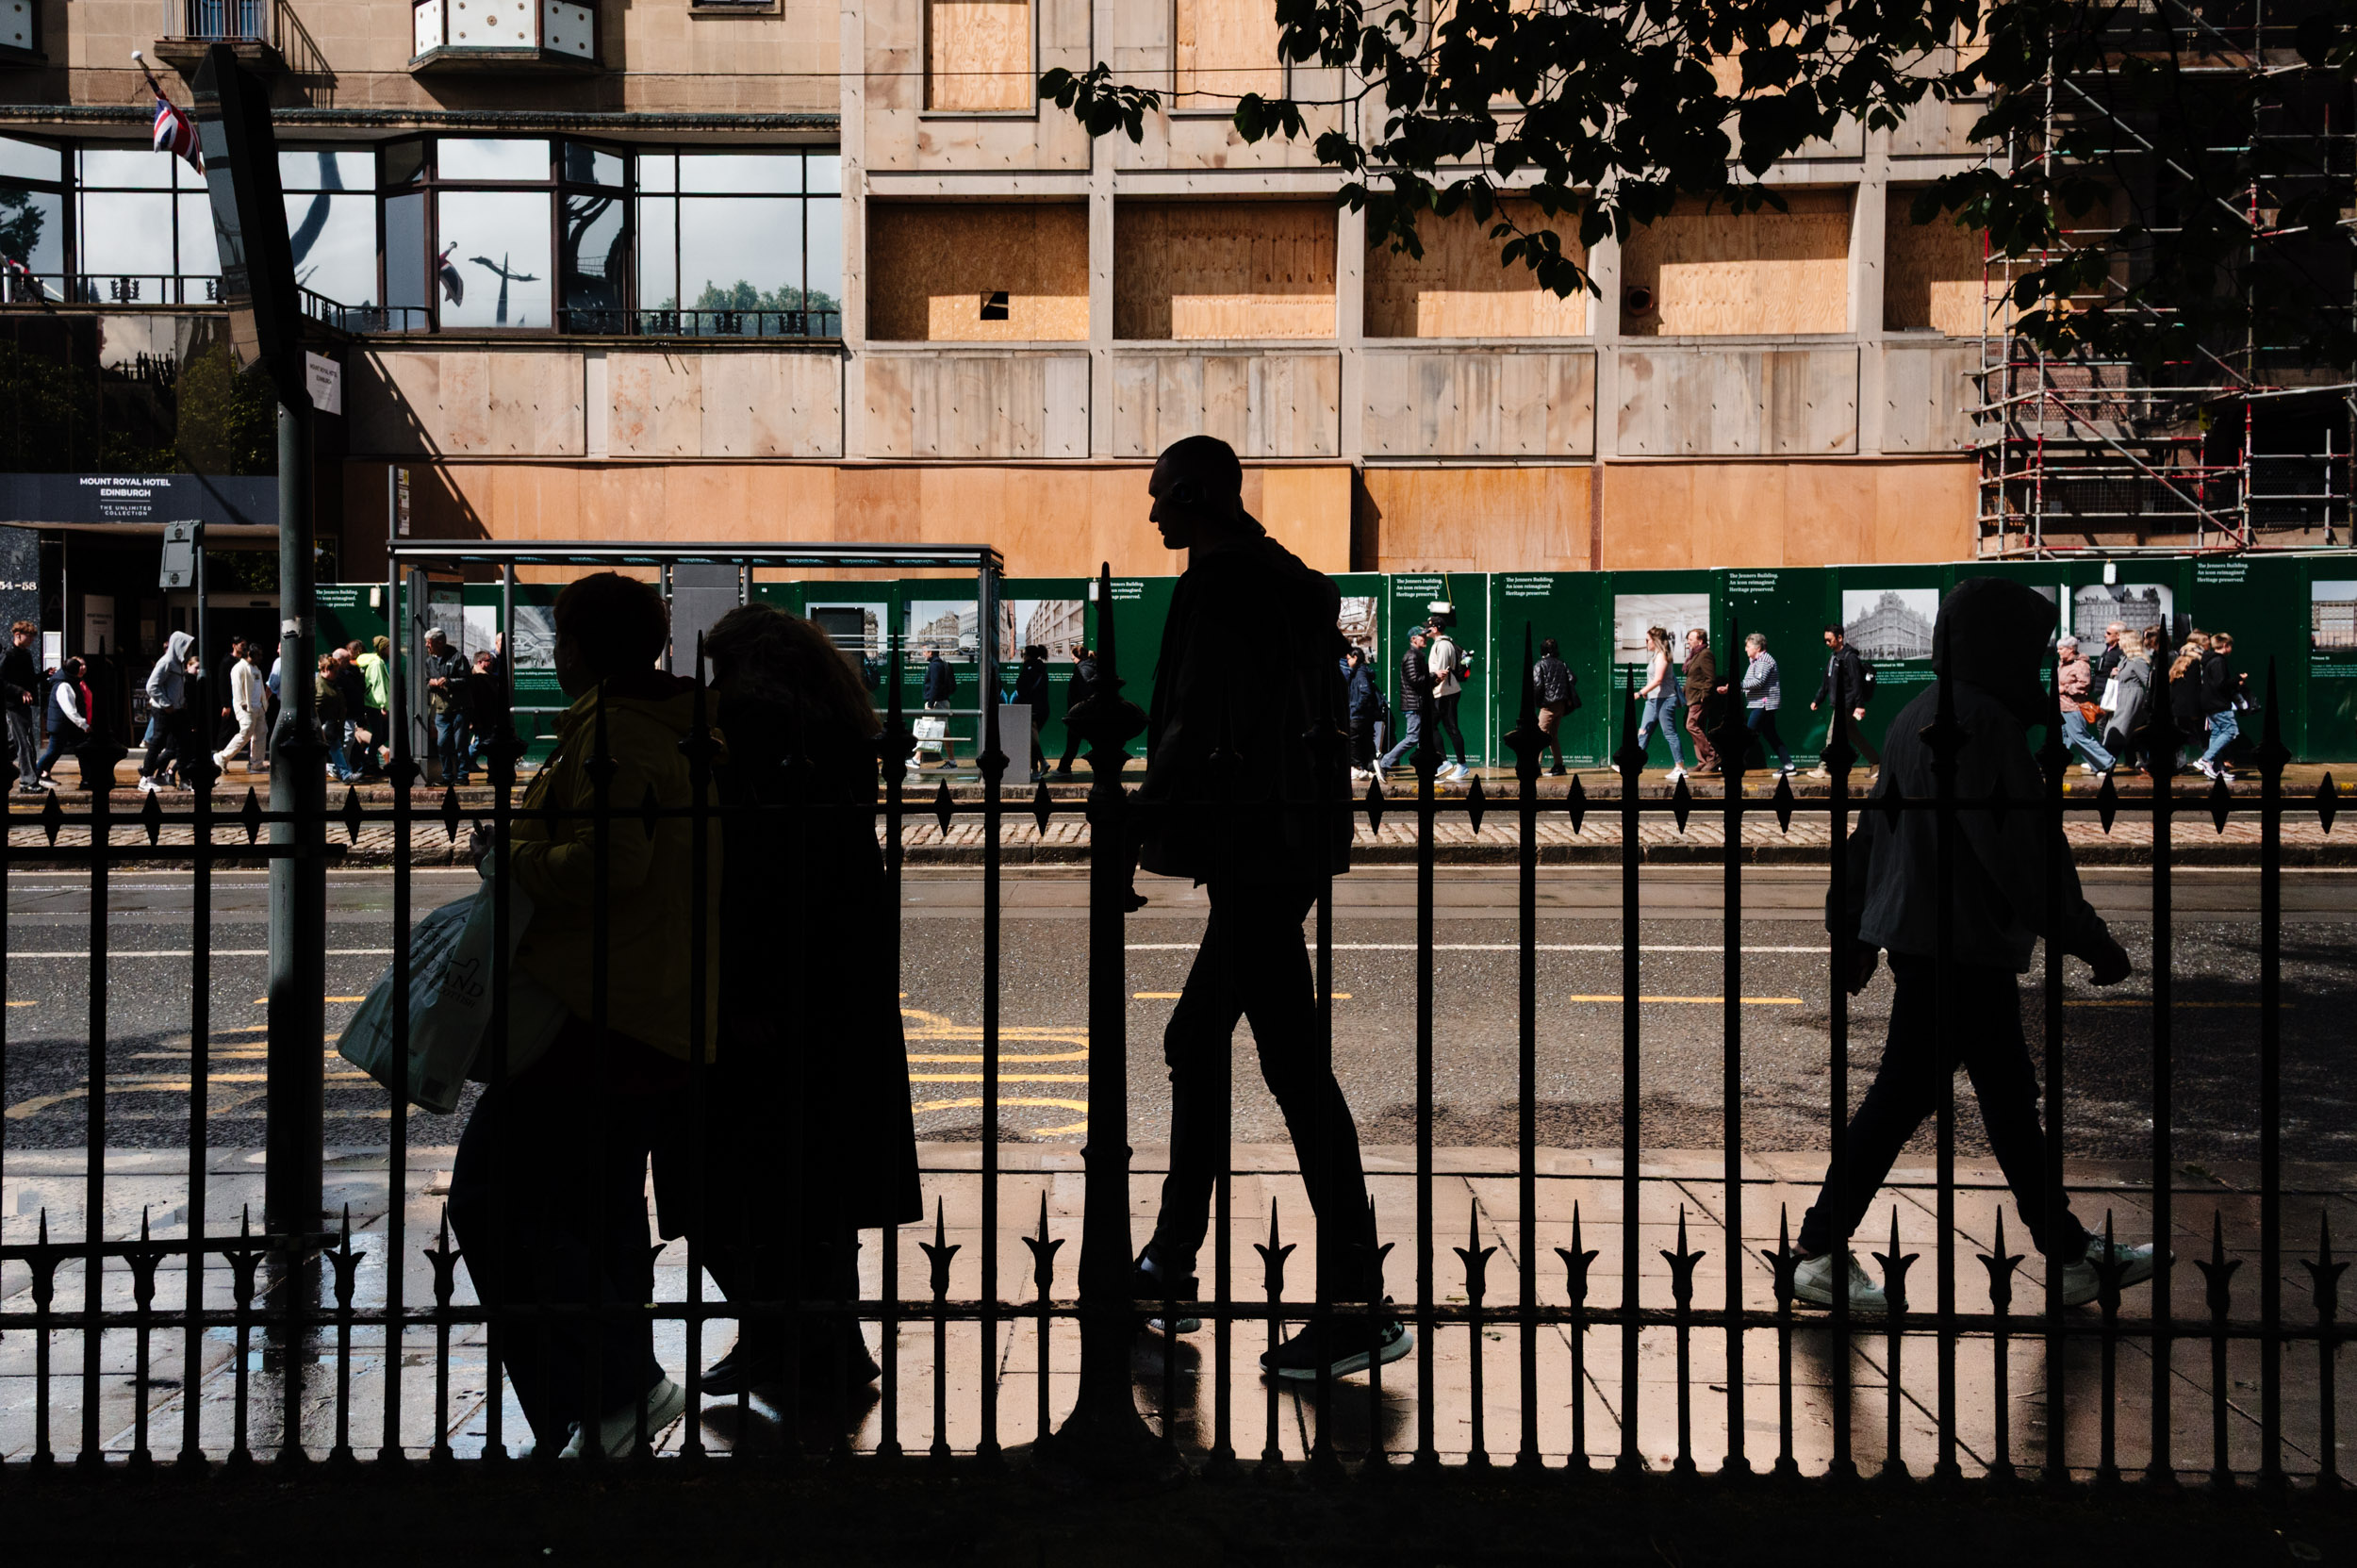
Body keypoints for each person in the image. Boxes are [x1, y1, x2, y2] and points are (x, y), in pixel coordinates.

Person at [1795, 576, 2162, 1312]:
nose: (2037, 669)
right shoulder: (1984, 725)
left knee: (1994, 1097)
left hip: (1929, 939)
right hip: (1960, 941)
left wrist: (1852, 928)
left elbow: (1871, 834)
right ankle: (1820, 1251)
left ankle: (2066, 1252)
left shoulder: (1917, 715)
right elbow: (2024, 853)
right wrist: (2090, 940)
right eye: (2028, 652)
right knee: (1922, 1099)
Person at [1129, 434, 1408, 1382]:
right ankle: (1177, 1258)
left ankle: (1344, 1298)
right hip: (1281, 843)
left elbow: (1196, 718)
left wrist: (1138, 832)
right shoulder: (1275, 575)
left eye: (1163, 495)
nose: (1153, 511)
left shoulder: (1219, 582)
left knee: (1243, 1056)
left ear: (1197, 495)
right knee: (1236, 1051)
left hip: (1253, 848)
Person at [447, 571, 719, 1459]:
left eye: (561, 640)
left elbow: (611, 865)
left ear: (579, 647)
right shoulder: (665, 723)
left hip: (596, 1010)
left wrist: (509, 859)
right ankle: (606, 1404)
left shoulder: (619, 731)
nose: (554, 655)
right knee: (595, 1210)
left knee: (493, 1196)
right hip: (642, 1004)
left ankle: (621, 1387)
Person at [652, 601, 920, 1400]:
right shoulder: (838, 728)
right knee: (816, 1175)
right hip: (840, 982)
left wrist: (744, 989)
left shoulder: (755, 730)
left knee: (730, 1175)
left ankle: (780, 1333)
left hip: (769, 989)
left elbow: (760, 878)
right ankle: (825, 1337)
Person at [1809, 623, 1880, 774]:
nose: (1827, 643)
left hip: (1847, 704)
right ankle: (1876, 763)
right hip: (1839, 703)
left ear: (1840, 638)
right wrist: (1817, 699)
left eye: (1829, 640)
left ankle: (1824, 768)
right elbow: (1826, 682)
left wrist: (1860, 705)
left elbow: (1856, 683)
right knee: (1854, 735)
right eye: (1825, 641)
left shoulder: (1850, 657)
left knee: (1832, 736)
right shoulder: (1833, 657)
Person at [1722, 630, 1792, 775]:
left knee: (1746, 734)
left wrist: (1737, 685)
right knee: (1770, 735)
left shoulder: (1764, 661)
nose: (1745, 649)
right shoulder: (1757, 661)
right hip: (1761, 704)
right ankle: (1789, 766)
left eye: (1748, 646)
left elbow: (1758, 682)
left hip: (1763, 704)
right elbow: (1751, 682)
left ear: (1758, 648)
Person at [139, 631, 196, 795]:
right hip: (164, 711)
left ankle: (184, 779)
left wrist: (181, 701)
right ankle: (146, 777)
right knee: (157, 743)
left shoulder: (178, 663)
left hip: (176, 709)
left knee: (184, 744)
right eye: (186, 646)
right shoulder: (166, 662)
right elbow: (152, 686)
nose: (189, 650)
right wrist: (166, 704)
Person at [2053, 635, 2115, 777]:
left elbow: (2084, 685)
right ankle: (2056, 765)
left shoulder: (2080, 664)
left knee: (2079, 737)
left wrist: (2065, 688)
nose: (2058, 651)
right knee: (2063, 739)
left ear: (2070, 649)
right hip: (2062, 706)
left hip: (2073, 707)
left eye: (2061, 649)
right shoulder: (2063, 663)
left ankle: (2107, 762)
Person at [1634, 626, 1688, 783]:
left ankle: (1680, 768)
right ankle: (1633, 763)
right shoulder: (1655, 655)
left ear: (1656, 641)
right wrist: (1647, 694)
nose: (1646, 643)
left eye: (1647, 640)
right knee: (1643, 731)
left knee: (1669, 733)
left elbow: (1658, 679)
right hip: (1653, 700)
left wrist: (1640, 692)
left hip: (1665, 699)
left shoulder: (1662, 656)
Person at [1377, 630, 1433, 773]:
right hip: (1413, 703)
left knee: (1424, 737)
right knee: (1413, 737)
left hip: (1416, 703)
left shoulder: (1417, 656)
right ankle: (1384, 762)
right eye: (1423, 636)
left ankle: (1430, 769)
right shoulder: (1411, 657)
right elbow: (1414, 681)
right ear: (1414, 639)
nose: (1426, 638)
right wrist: (1433, 676)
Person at [2101, 626, 2152, 775]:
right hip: (2120, 699)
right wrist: (2113, 674)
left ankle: (2108, 763)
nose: (2119, 642)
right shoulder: (2125, 660)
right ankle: (2145, 763)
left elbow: (2147, 681)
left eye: (2122, 640)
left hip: (2130, 700)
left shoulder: (2138, 661)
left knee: (2118, 732)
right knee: (2122, 732)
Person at [212, 635, 267, 777]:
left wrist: (263, 703)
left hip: (258, 706)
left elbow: (259, 687)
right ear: (251, 654)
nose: (260, 658)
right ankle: (222, 757)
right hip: (246, 707)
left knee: (261, 732)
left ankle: (257, 763)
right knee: (246, 732)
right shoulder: (240, 668)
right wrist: (242, 703)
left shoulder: (256, 669)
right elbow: (236, 687)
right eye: (258, 655)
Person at [423, 627, 472, 786]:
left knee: (460, 744)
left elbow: (467, 680)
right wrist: (431, 684)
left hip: (460, 709)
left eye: (428, 643)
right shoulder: (429, 661)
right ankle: (447, 776)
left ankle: (462, 776)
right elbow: (426, 682)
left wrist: (449, 681)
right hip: (441, 709)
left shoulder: (458, 658)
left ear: (440, 642)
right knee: (442, 743)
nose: (426, 646)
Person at [32, 656, 89, 788]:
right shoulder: (64, 685)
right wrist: (83, 724)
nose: (82, 669)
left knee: (59, 752)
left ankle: (86, 778)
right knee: (54, 752)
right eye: (79, 667)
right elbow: (69, 709)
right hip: (62, 725)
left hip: (64, 725)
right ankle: (35, 776)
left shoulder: (69, 681)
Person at [1426, 618, 1470, 783]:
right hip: (1442, 692)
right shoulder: (1440, 644)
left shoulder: (1443, 645)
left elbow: (1441, 672)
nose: (1426, 630)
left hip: (1446, 692)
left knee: (1452, 728)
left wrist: (1432, 686)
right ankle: (1444, 761)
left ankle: (1462, 765)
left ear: (1436, 628)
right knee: (1433, 726)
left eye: (1429, 627)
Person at [2196, 630, 2244, 782]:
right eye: (2230, 646)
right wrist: (2238, 680)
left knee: (2216, 734)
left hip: (2209, 703)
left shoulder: (2209, 660)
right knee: (2231, 731)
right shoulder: (2219, 661)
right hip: (2219, 703)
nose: (2231, 649)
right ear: (2225, 645)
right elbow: (2220, 683)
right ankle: (2206, 759)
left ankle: (2216, 769)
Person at [1531, 636, 1578, 776]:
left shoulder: (1540, 664)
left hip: (1548, 705)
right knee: (1552, 736)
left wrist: (1538, 703)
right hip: (1561, 705)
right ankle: (1559, 766)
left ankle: (1535, 766)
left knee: (1538, 736)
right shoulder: (1561, 663)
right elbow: (1572, 678)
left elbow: (1537, 685)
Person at [1, 619, 38, 793]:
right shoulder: (8, 655)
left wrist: (44, 676)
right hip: (13, 704)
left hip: (23, 704)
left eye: (32, 636)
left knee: (14, 744)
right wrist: (20, 691)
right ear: (17, 635)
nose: (31, 639)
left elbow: (29, 679)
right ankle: (27, 781)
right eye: (28, 636)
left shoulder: (26, 655)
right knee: (25, 742)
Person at [1050, 645, 1096, 779]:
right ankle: (1064, 767)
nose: (1072, 660)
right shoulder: (1091, 666)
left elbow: (1083, 690)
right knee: (1084, 741)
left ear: (1079, 657)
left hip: (1081, 713)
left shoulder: (1082, 669)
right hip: (1086, 712)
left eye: (1073, 658)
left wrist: (1077, 709)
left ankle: (1064, 767)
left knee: (1073, 741)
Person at [316, 653, 359, 784]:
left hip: (331, 725)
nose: (336, 674)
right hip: (321, 726)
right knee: (322, 752)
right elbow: (314, 707)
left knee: (336, 749)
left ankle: (346, 775)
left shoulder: (331, 683)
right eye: (334, 672)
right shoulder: (319, 685)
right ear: (325, 670)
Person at [1682, 626, 1721, 774]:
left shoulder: (1705, 654)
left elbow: (1710, 678)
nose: (1689, 642)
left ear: (1700, 640)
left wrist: (1704, 694)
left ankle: (1712, 756)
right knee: (1696, 728)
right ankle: (1702, 761)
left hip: (1700, 698)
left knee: (1691, 725)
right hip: (1692, 697)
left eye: (1691, 639)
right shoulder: (1695, 655)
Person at [1013, 642, 1051, 782]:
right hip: (1043, 708)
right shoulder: (1042, 669)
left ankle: (1038, 766)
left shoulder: (1029, 669)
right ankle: (1037, 767)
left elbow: (1022, 688)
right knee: (1032, 739)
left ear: (1027, 656)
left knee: (1032, 739)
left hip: (1032, 708)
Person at [354, 637, 390, 778]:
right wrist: (383, 705)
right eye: (388, 647)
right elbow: (378, 684)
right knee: (379, 733)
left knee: (380, 732)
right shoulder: (376, 663)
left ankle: (370, 758)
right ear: (383, 648)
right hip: (374, 704)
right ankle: (371, 761)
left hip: (373, 703)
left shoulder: (377, 662)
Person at [1344, 644, 1379, 779]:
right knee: (1366, 741)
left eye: (1349, 659)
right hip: (1365, 715)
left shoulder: (1360, 673)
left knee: (1353, 740)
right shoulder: (1363, 671)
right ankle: (1371, 769)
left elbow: (1365, 692)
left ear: (1355, 657)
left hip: (1358, 715)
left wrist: (1355, 708)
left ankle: (1357, 768)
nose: (1347, 662)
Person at [920, 644, 958, 768]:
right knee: (946, 732)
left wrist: (930, 704)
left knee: (924, 729)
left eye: (924, 651)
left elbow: (935, 686)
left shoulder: (935, 665)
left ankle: (916, 758)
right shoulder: (942, 664)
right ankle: (952, 762)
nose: (923, 654)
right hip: (942, 702)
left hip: (936, 703)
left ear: (930, 652)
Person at [2093, 620, 2127, 684]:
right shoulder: (2108, 649)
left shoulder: (2122, 652)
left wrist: (2111, 674)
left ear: (2118, 636)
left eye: (2108, 633)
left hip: (2110, 688)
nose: (2105, 635)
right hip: (2100, 687)